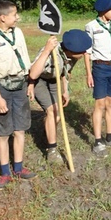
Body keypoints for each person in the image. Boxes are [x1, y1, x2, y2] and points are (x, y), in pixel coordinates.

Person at [0, 0, 36, 188]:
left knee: (20, 130)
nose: (17, 17)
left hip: (20, 85)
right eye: (14, 14)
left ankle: (19, 168)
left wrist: (30, 83)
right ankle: (5, 172)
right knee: (3, 133)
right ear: (3, 18)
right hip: (2, 89)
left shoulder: (18, 33)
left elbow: (26, 59)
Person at [27, 29, 92, 164]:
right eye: (82, 51)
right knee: (53, 111)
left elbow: (65, 73)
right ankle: (52, 150)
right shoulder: (52, 52)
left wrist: (65, 90)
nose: (85, 53)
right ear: (71, 50)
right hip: (39, 80)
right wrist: (46, 51)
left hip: (54, 80)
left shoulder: (73, 56)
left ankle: (48, 132)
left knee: (57, 115)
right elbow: (32, 73)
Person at [84, 0, 111, 157]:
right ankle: (98, 141)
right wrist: (89, 74)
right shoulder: (91, 27)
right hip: (100, 68)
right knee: (100, 105)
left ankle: (110, 135)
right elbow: (87, 53)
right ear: (104, 11)